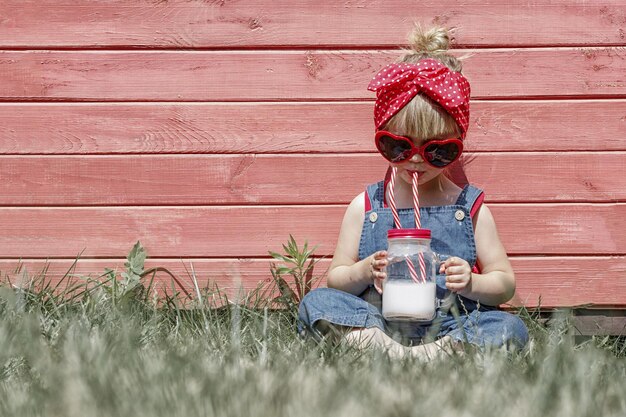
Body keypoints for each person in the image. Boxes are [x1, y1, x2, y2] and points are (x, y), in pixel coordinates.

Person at [298, 24, 529, 359]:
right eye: (399, 147)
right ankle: (394, 350)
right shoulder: (367, 206)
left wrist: (472, 283)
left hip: (451, 324)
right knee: (317, 303)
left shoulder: (469, 207)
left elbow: (505, 283)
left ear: (458, 144)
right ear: (383, 137)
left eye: (437, 150)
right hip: (379, 322)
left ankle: (424, 354)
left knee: (509, 328)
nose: (417, 160)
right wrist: (362, 271)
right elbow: (337, 278)